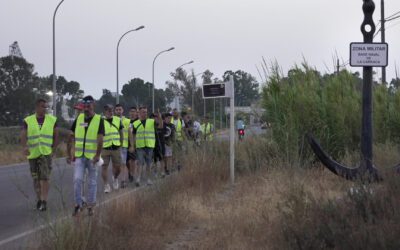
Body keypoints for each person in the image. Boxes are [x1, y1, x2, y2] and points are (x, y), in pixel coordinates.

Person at [67, 95, 104, 216]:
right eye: (85, 106)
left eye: (89, 106)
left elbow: (100, 139)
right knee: (77, 179)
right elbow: (71, 135)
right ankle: (78, 204)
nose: (86, 108)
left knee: (92, 182)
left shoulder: (99, 120)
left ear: (93, 105)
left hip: (92, 157)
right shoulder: (79, 119)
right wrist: (69, 152)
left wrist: (98, 155)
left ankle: (91, 205)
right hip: (79, 155)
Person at [20, 99, 59, 211]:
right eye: (43, 106)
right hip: (33, 153)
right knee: (36, 179)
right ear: (37, 107)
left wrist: (54, 148)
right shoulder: (28, 120)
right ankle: (39, 200)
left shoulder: (52, 120)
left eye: (46, 107)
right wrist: (24, 146)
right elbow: (23, 134)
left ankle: (44, 201)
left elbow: (56, 135)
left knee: (44, 178)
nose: (45, 109)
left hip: (46, 153)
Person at [132, 106, 161, 186]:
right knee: (140, 163)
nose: (145, 113)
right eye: (143, 112)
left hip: (149, 145)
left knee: (148, 163)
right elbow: (133, 135)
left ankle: (148, 179)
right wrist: (133, 145)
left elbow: (160, 126)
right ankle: (138, 179)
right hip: (140, 146)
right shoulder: (135, 123)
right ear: (139, 113)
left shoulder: (151, 121)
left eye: (146, 112)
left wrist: (159, 117)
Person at [101, 104, 123, 193]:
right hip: (105, 147)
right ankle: (106, 185)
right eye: (108, 110)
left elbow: (121, 133)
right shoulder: (101, 121)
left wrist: (121, 144)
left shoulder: (118, 120)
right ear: (105, 111)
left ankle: (115, 178)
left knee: (118, 168)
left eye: (111, 110)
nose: (111, 112)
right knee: (104, 167)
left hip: (116, 147)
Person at [114, 104, 131, 188]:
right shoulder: (112, 120)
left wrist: (131, 145)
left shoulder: (127, 121)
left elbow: (130, 134)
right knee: (116, 165)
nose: (118, 111)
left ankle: (123, 180)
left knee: (123, 164)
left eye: (119, 109)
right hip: (114, 146)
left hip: (124, 146)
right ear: (114, 111)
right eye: (116, 109)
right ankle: (115, 178)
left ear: (122, 110)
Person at [127, 107, 138, 183]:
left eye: (134, 111)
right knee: (126, 161)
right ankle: (129, 171)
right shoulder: (127, 121)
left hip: (134, 143)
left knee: (132, 160)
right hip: (126, 142)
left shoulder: (138, 121)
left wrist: (133, 144)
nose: (132, 113)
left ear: (136, 113)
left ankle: (132, 175)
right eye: (131, 111)